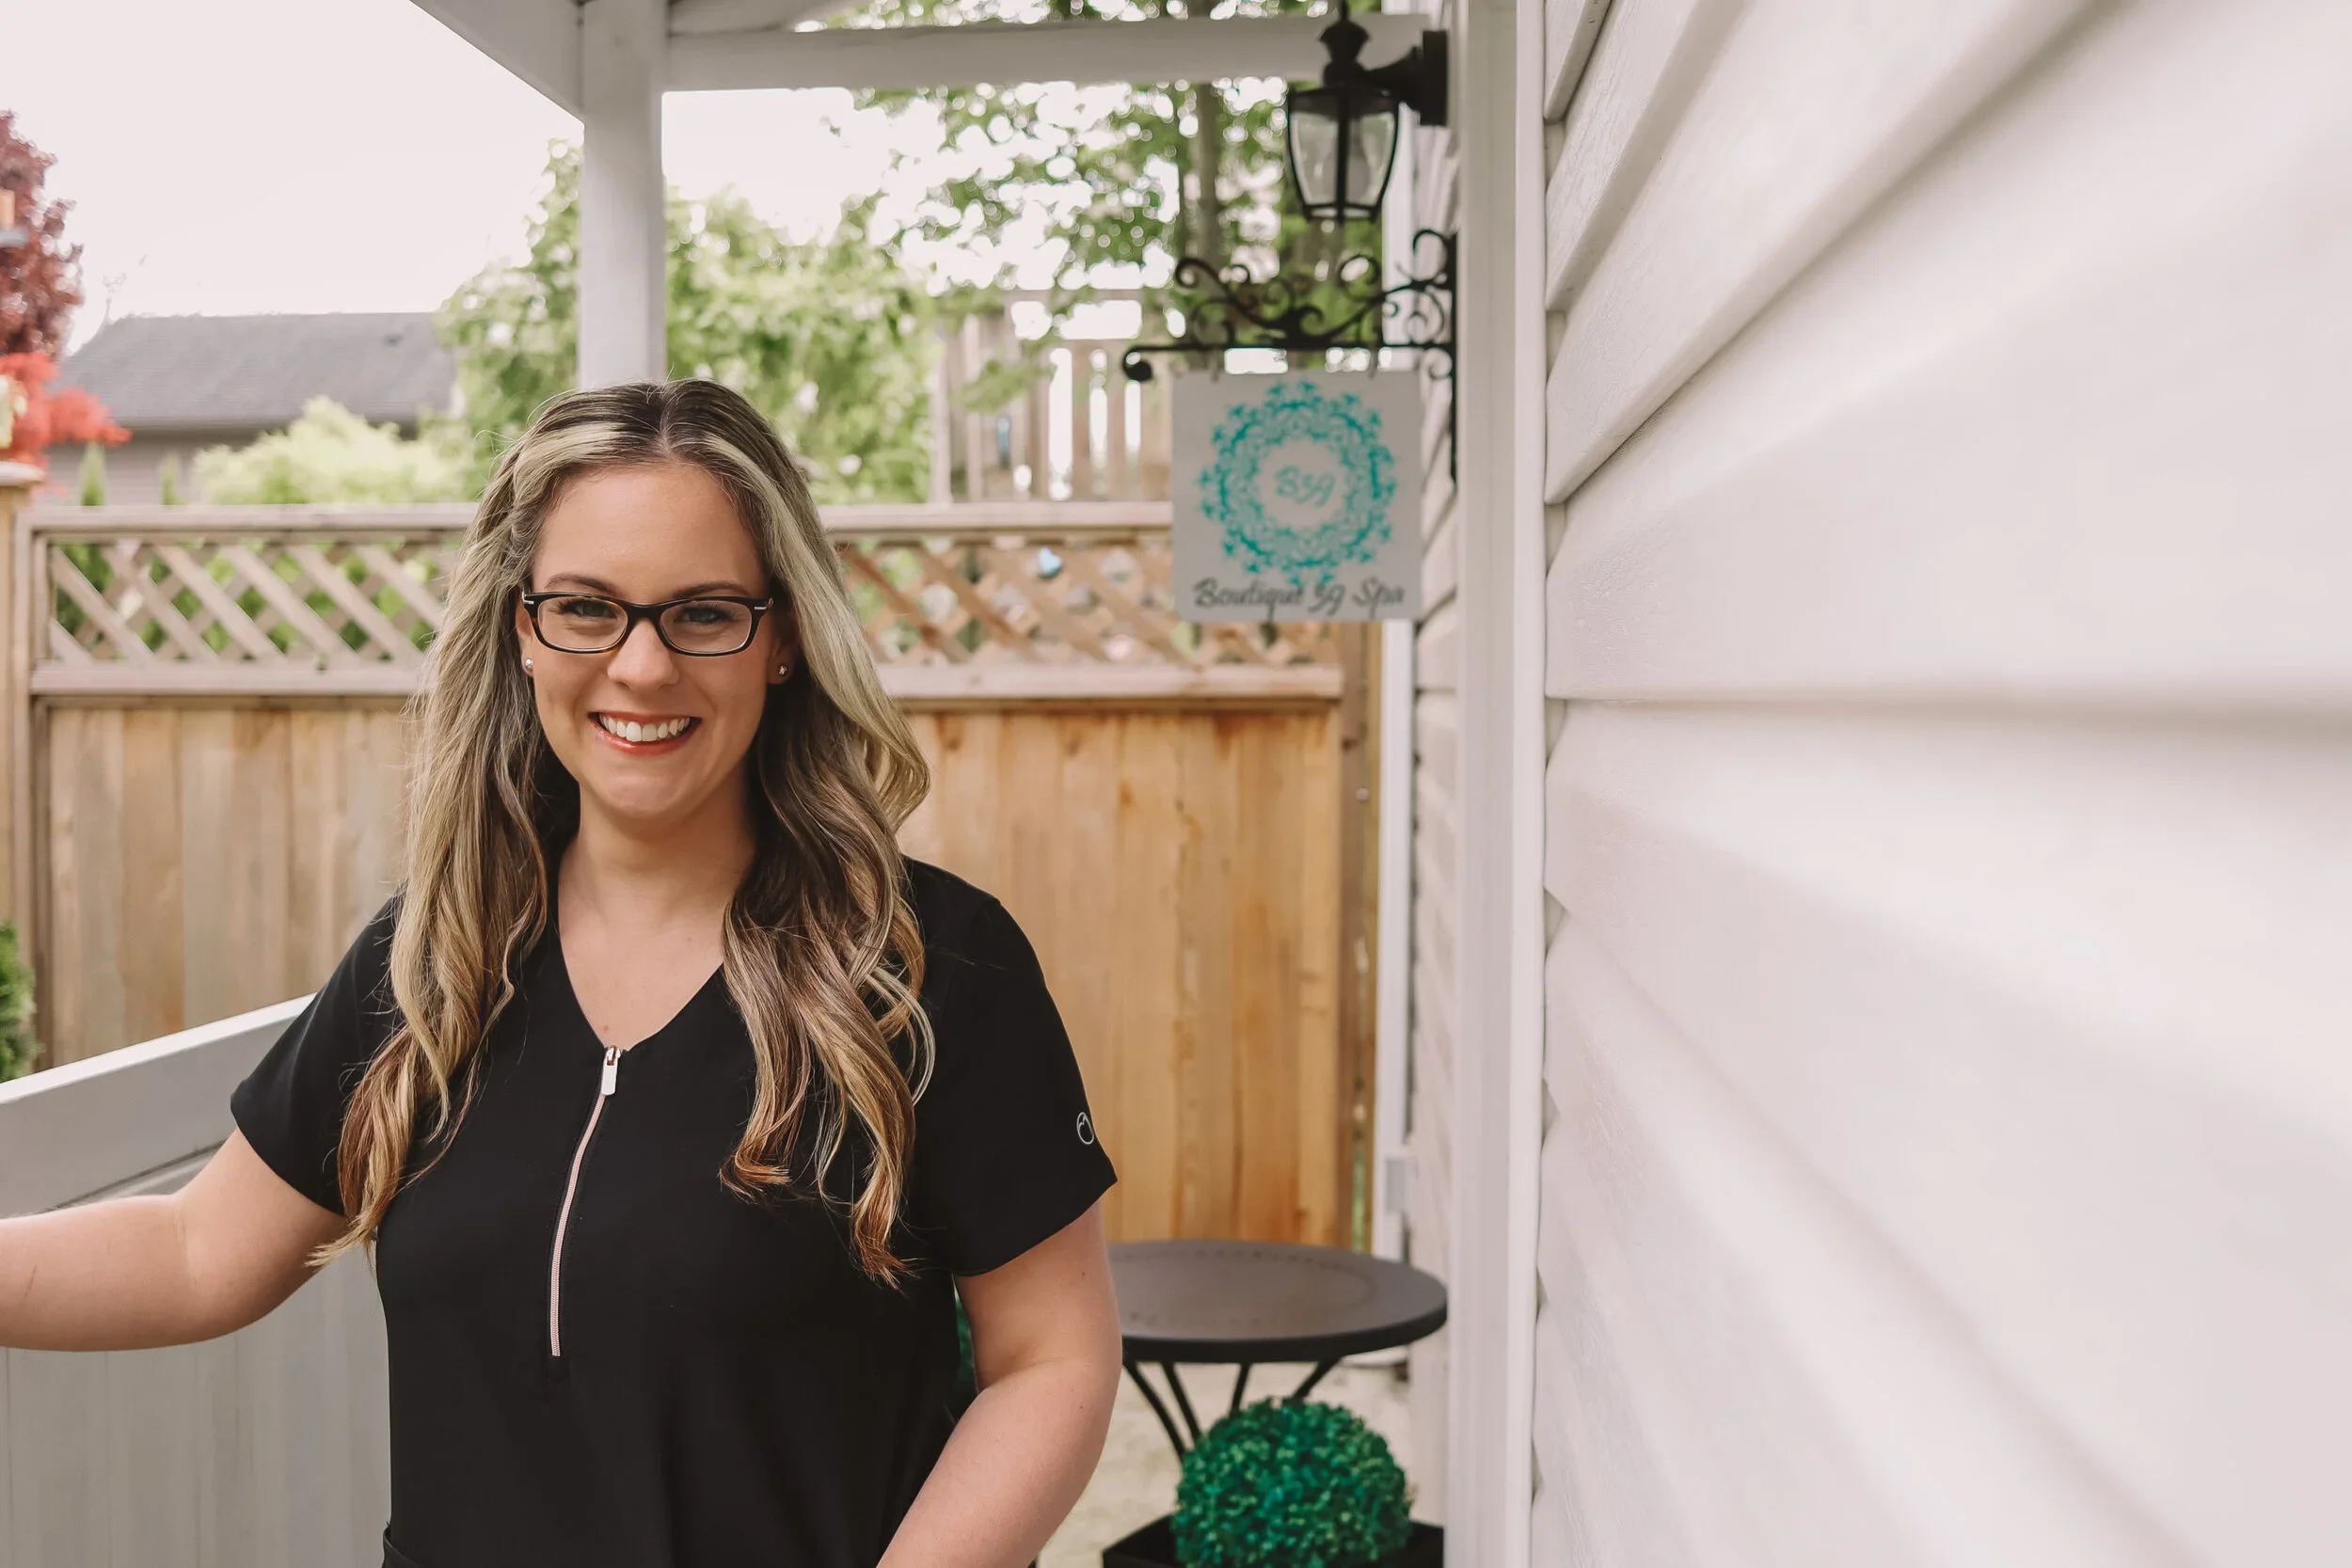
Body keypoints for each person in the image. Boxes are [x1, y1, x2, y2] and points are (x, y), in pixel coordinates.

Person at [0, 380, 1122, 1568]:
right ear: (523, 629)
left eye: (703, 612)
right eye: (587, 608)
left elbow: (1050, 1358)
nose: (641, 666)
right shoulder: (432, 962)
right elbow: (196, 1254)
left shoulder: (928, 969)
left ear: (784, 634)